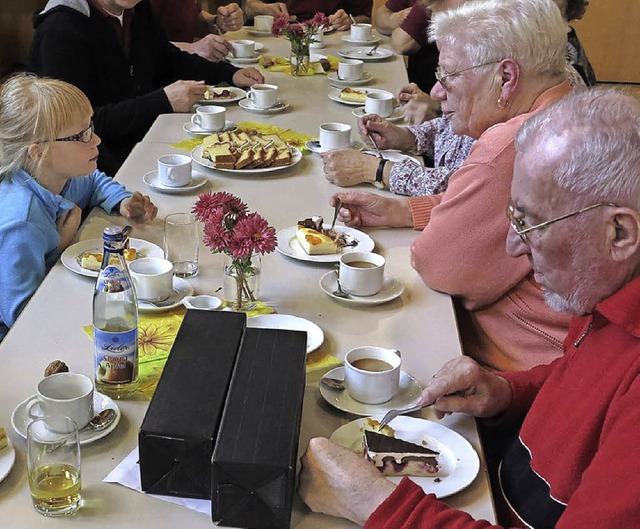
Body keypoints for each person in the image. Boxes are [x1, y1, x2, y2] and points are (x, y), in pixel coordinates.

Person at [299, 87, 640, 529]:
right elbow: (585, 385)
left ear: (620, 234)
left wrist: (374, 503)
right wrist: (507, 392)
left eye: (531, 223)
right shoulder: (610, 292)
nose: (515, 246)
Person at [328, 0, 576, 371]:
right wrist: (404, 211)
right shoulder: (566, 103)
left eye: (448, 76)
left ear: (507, 78)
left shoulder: (514, 144)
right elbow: (495, 215)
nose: (438, 92)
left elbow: (436, 264)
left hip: (526, 370)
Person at [0, 74, 158, 341]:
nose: (96, 140)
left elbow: (94, 182)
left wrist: (122, 201)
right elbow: (21, 317)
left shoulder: (64, 175)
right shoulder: (21, 222)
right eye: (81, 135)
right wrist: (60, 248)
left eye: (91, 128)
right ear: (37, 152)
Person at [29, 0, 264, 175]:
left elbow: (167, 59)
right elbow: (82, 127)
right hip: (95, 170)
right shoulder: (60, 30)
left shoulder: (136, 9)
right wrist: (162, 101)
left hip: (145, 141)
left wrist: (229, 74)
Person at [375, 0, 439, 94]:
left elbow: (402, 44)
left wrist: (403, 25)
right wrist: (394, 19)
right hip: (418, 83)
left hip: (437, 91)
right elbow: (379, 17)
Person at [150, 0, 244, 62]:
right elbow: (140, 45)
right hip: (159, 78)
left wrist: (218, 22)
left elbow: (189, 20)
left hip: (188, 66)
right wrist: (191, 49)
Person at [246, 0, 371, 29]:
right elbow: (249, 7)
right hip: (279, 36)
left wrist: (350, 21)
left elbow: (366, 18)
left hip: (331, 39)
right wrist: (264, 8)